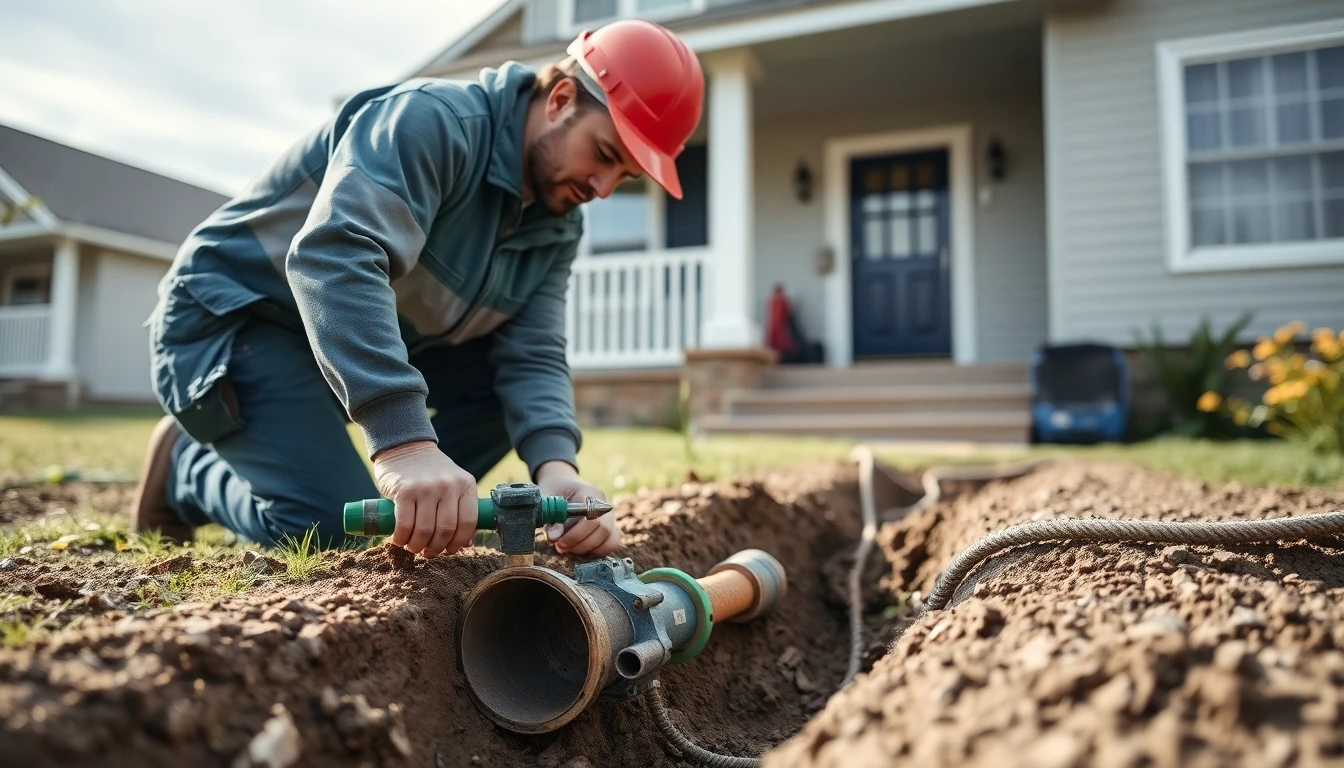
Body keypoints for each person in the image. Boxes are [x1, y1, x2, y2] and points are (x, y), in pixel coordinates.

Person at [130, 19, 705, 560]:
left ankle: (412, 501)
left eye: (623, 177)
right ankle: (185, 466)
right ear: (559, 101)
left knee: (437, 460)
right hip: (234, 317)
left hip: (331, 350)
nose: (603, 188)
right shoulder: (432, 123)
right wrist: (405, 445)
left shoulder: (557, 223)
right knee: (333, 530)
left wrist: (558, 470)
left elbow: (532, 352)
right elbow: (334, 255)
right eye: (604, 155)